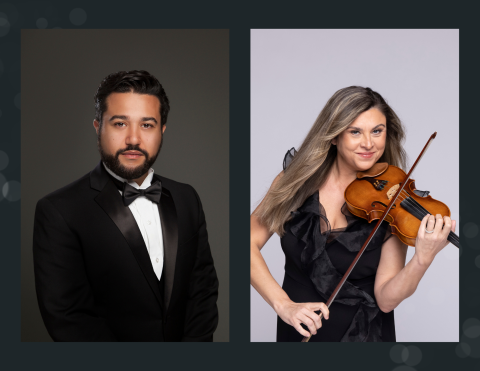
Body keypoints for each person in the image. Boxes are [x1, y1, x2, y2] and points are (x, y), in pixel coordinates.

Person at [251, 86, 456, 342]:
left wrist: (422, 259)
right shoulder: (294, 183)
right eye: (355, 132)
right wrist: (284, 305)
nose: (368, 143)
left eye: (377, 131)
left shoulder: (392, 203)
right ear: (334, 136)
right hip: (297, 333)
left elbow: (386, 299)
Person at [33, 70, 219, 342]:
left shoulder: (186, 198)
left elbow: (202, 290)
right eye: (120, 124)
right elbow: (69, 319)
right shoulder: (59, 211)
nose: (133, 139)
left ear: (162, 131)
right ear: (98, 127)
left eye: (147, 125)